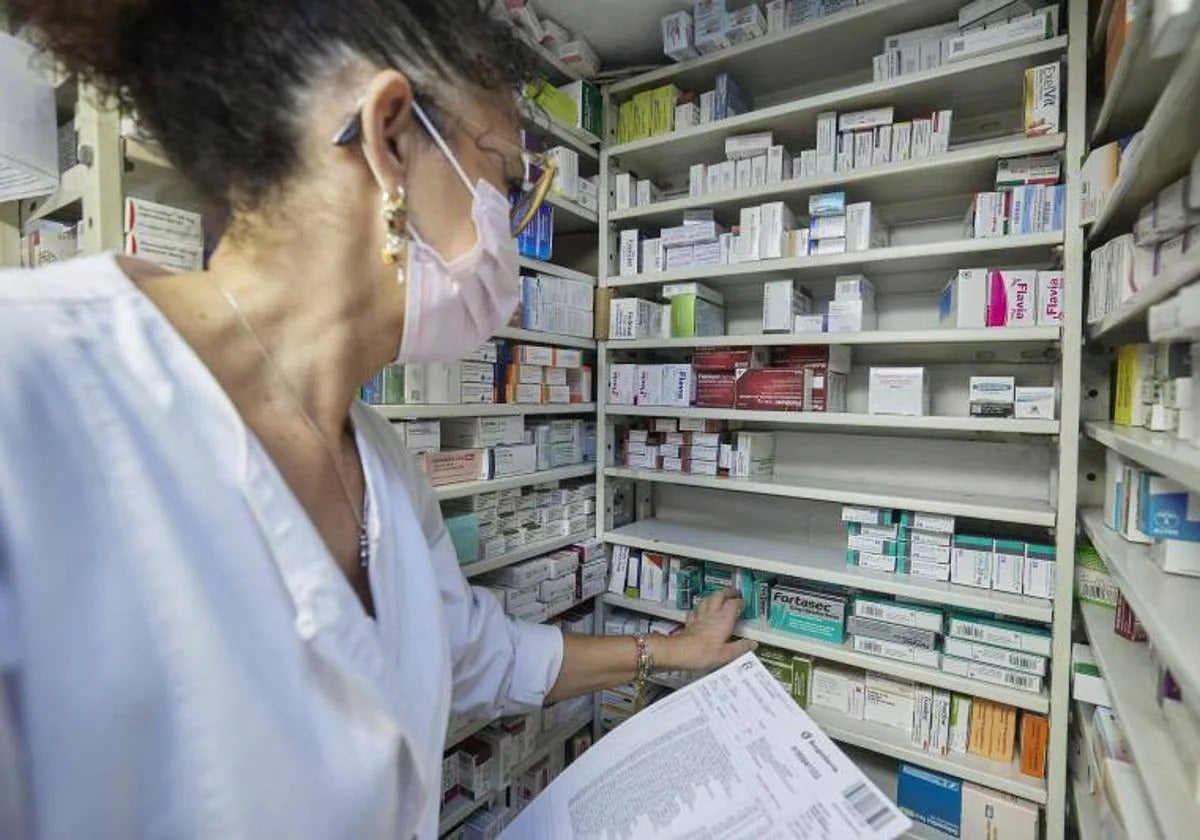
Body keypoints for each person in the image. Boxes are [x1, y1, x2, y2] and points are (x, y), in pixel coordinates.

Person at [0, 1, 756, 837]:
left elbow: (477, 656)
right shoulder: (27, 383)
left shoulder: (385, 466)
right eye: (508, 182)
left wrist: (672, 651)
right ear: (391, 138)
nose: (513, 228)